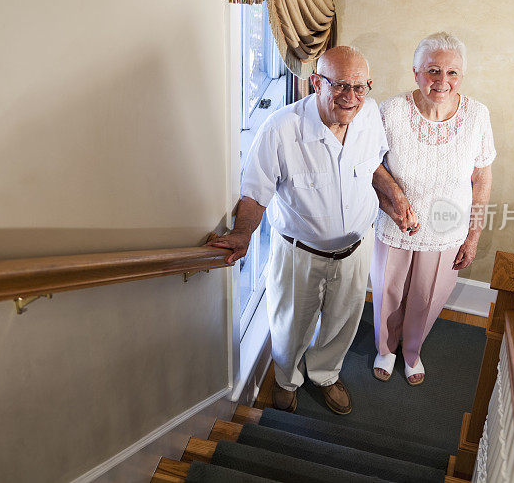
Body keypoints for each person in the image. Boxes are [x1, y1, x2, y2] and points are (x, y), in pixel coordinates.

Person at [209, 46, 388, 415]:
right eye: (339, 86)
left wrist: (397, 200)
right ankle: (287, 379)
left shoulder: (370, 115)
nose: (350, 97)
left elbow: (373, 167)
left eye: (360, 87)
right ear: (316, 82)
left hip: (356, 248)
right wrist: (242, 235)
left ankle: (325, 375)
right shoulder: (280, 128)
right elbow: (255, 194)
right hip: (300, 252)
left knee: (343, 322)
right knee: (291, 327)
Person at [370, 32, 495, 386]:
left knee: (427, 297)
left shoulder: (477, 116)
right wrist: (395, 196)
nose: (442, 81)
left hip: (447, 231)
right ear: (415, 73)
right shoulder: (390, 110)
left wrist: (473, 235)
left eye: (452, 73)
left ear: (462, 77)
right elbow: (370, 164)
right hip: (395, 225)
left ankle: (412, 350)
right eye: (433, 71)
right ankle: (385, 347)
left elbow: (481, 180)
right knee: (387, 291)